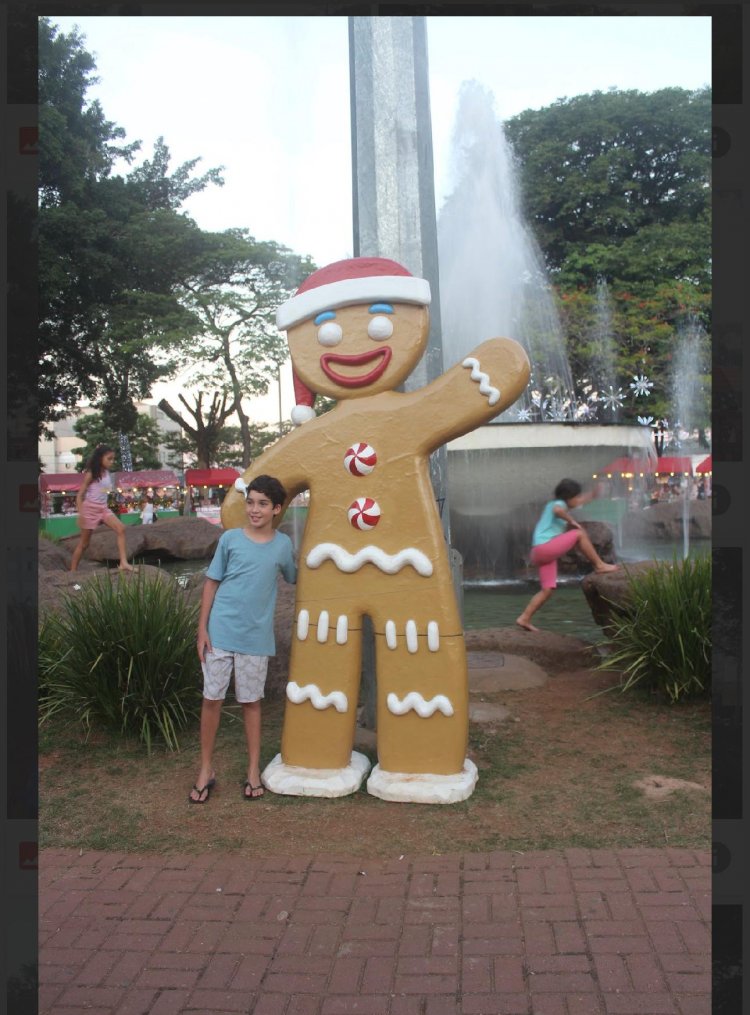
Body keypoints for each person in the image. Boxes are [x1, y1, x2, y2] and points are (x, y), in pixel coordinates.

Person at [190, 474, 297, 804]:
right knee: (212, 700)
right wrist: (202, 629)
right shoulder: (231, 540)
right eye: (250, 502)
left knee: (251, 702)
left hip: (255, 638)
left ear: (277, 509)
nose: (254, 509)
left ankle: (253, 771)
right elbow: (211, 583)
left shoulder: (282, 545)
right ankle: (205, 769)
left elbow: (296, 577)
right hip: (220, 633)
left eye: (263, 504)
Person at [516, 478, 618, 633]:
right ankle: (599, 565)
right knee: (578, 534)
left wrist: (593, 495)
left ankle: (524, 618)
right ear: (568, 497)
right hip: (545, 548)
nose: (578, 500)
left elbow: (578, 502)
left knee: (547, 589)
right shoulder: (558, 505)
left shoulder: (560, 503)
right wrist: (572, 521)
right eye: (576, 496)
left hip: (539, 552)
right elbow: (558, 511)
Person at [69, 445, 134, 572]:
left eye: (113, 459)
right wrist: (81, 514)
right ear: (100, 458)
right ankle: (72, 571)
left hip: (103, 508)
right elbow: (80, 495)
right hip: (90, 510)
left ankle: (123, 563)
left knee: (121, 529)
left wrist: (112, 492)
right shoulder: (92, 473)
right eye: (109, 459)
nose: (112, 461)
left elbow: (102, 490)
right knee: (84, 544)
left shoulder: (107, 473)